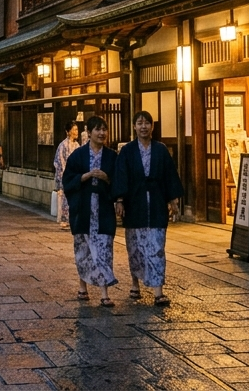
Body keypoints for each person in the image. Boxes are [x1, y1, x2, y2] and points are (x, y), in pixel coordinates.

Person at [113, 111, 184, 306]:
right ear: (134, 127)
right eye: (139, 123)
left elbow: (170, 175)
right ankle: (135, 283)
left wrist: (173, 200)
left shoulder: (161, 150)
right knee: (135, 247)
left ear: (152, 127)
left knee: (157, 247)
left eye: (147, 123)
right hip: (134, 203)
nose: (143, 126)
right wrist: (119, 200)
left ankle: (158, 291)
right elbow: (121, 175)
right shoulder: (127, 151)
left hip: (157, 203)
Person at [63, 115, 119, 307]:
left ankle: (104, 292)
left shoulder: (112, 156)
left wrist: (108, 179)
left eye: (104, 129)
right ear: (89, 132)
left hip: (103, 208)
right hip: (83, 208)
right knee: (83, 249)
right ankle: (82, 286)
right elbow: (67, 180)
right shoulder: (77, 155)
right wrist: (85, 176)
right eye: (98, 129)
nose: (102, 133)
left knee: (104, 248)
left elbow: (120, 181)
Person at [53, 120, 80, 229]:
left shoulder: (77, 145)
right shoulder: (63, 145)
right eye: (74, 130)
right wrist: (64, 176)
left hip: (75, 175)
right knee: (65, 198)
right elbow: (60, 162)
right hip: (66, 175)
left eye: (77, 129)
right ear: (68, 132)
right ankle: (65, 219)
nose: (76, 132)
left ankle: (73, 219)